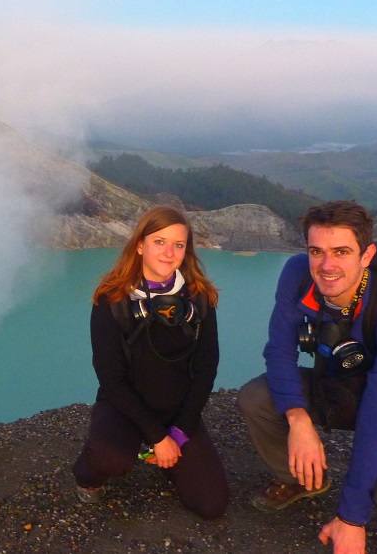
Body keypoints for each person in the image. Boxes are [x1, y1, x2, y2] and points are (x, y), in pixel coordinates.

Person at [237, 200, 377, 554]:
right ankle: (301, 479)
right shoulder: (297, 275)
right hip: (334, 386)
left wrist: (351, 518)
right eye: (317, 251)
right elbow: (279, 351)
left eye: (341, 251)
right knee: (257, 397)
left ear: (366, 254)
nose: (326, 266)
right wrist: (298, 420)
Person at [71, 205, 229, 518]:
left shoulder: (199, 298)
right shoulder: (111, 300)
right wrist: (158, 437)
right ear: (140, 245)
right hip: (123, 408)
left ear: (186, 251)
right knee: (110, 459)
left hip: (177, 411)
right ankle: (88, 473)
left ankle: (166, 456)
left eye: (178, 245)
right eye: (159, 242)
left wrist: (179, 433)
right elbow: (111, 379)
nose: (169, 253)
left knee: (212, 505)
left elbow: (205, 369)